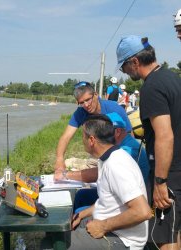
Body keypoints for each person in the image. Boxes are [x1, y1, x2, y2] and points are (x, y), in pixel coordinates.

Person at [116, 35, 181, 249]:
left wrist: (160, 183)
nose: (125, 72)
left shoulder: (151, 87)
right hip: (177, 168)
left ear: (135, 62)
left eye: (124, 66)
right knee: (175, 229)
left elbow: (165, 135)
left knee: (164, 238)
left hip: (169, 173)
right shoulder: (172, 78)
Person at [69, 114, 152, 250]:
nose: (82, 140)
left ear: (91, 140)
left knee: (53, 244)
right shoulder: (106, 158)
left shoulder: (116, 165)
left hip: (123, 239)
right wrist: (81, 215)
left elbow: (143, 212)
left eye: (83, 136)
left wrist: (102, 226)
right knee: (63, 230)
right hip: (111, 228)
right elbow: (107, 203)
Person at [54, 112, 150, 212]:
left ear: (117, 132)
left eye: (104, 131)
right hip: (119, 194)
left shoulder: (126, 152)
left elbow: (97, 173)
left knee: (79, 211)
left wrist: (65, 174)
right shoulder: (115, 149)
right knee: (81, 195)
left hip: (126, 201)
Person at [54, 81, 132, 174]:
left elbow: (130, 135)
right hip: (99, 152)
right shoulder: (80, 112)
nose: (86, 105)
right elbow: (65, 137)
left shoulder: (114, 109)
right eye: (81, 102)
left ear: (96, 95)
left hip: (119, 152)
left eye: (88, 100)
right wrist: (59, 159)